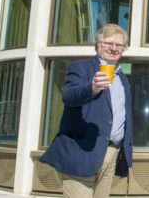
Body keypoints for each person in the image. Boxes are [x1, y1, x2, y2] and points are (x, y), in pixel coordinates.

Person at [40, 24, 133, 198]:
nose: (114, 48)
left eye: (119, 45)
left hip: (111, 152)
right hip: (81, 152)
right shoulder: (81, 67)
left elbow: (124, 115)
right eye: (109, 43)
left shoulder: (122, 78)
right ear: (98, 45)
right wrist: (92, 88)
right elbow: (68, 95)